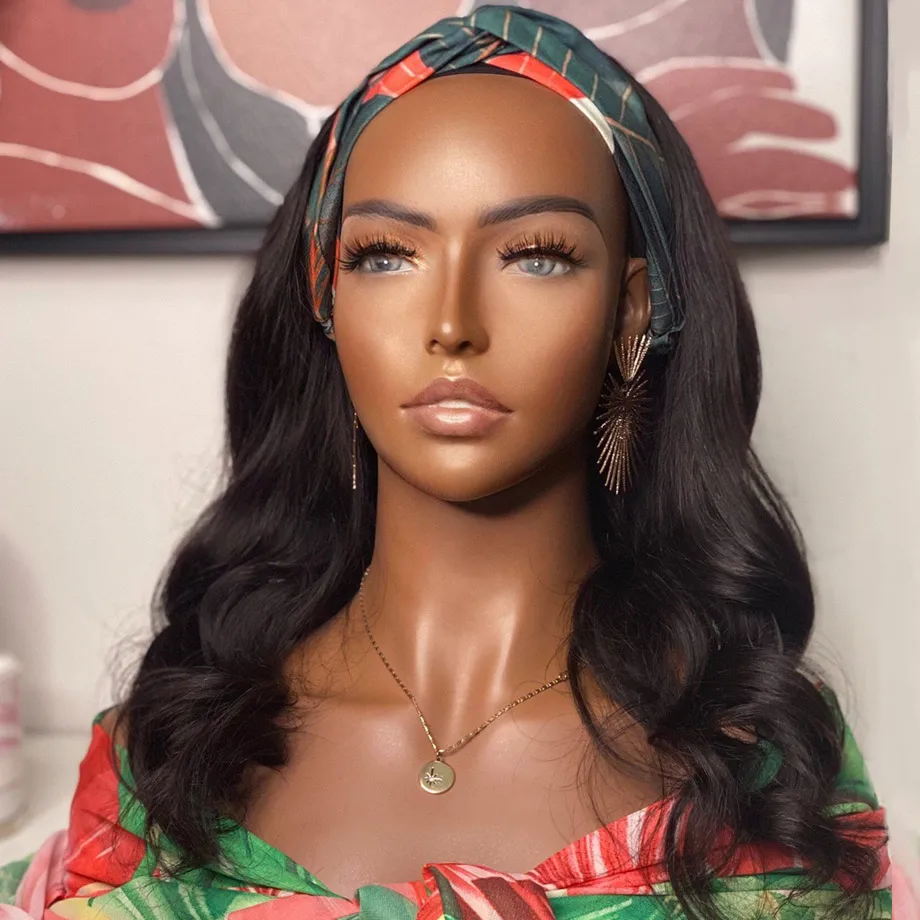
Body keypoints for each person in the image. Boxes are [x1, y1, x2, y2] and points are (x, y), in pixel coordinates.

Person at [0, 6, 893, 920]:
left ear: (632, 309)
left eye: (536, 256)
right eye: (387, 255)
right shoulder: (169, 750)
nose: (453, 324)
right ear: (326, 295)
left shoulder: (757, 775)